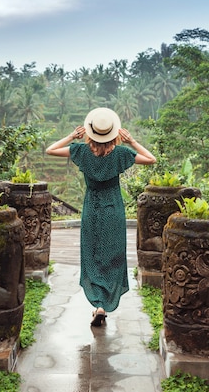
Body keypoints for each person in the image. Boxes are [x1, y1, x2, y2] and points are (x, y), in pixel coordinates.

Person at [46, 107, 156, 327]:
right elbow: (151, 159)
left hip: (92, 208)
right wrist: (132, 141)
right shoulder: (121, 154)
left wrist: (71, 136)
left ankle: (98, 304)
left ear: (90, 131)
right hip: (113, 208)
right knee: (113, 255)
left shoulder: (81, 151)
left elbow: (50, 150)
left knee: (92, 253)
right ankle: (106, 303)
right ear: (114, 133)